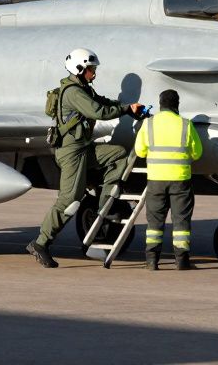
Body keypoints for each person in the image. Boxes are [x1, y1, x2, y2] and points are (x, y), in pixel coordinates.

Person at [26, 48, 143, 268]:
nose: (94, 74)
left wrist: (129, 108)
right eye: (91, 69)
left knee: (117, 153)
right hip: (71, 152)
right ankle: (40, 243)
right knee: (70, 200)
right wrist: (126, 109)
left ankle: (105, 204)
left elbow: (104, 101)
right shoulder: (73, 92)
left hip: (84, 148)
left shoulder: (84, 88)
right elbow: (98, 112)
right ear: (79, 69)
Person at [134, 89, 203, 270]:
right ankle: (181, 261)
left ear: (160, 103)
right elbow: (197, 153)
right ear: (177, 104)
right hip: (180, 180)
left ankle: (152, 261)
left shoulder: (148, 124)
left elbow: (140, 151)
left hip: (156, 180)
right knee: (181, 222)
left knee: (154, 222)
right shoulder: (186, 125)